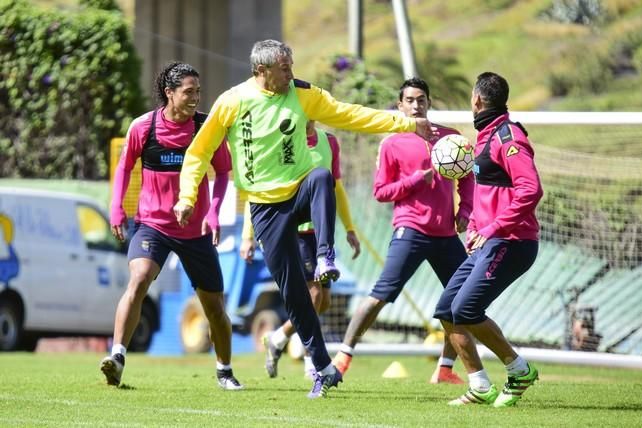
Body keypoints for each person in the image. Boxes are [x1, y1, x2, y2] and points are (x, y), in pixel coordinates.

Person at [174, 39, 438, 399]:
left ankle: (326, 256)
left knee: (321, 177)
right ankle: (323, 367)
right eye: (285, 68)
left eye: (292, 65)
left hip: (299, 192)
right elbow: (198, 152)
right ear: (261, 71)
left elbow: (350, 113)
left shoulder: (303, 95)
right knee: (295, 296)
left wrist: (403, 123)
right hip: (265, 209)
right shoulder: (232, 102)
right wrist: (188, 198)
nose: (291, 73)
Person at [100, 62, 243, 391]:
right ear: (169, 93)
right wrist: (117, 209)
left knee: (214, 307)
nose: (195, 98)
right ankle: (117, 357)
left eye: (198, 92)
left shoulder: (207, 128)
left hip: (196, 232)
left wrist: (214, 213)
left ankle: (224, 369)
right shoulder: (143, 127)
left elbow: (222, 173)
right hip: (153, 226)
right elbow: (123, 170)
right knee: (138, 279)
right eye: (188, 92)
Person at [332, 78, 473, 385]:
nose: (415, 105)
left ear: (429, 102)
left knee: (464, 298)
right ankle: (342, 357)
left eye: (421, 99)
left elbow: (467, 178)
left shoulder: (452, 138)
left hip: (446, 235)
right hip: (410, 230)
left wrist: (465, 211)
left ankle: (445, 369)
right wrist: (414, 180)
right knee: (380, 296)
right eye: (409, 100)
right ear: (400, 106)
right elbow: (381, 192)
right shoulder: (392, 143)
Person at [433, 72, 544, 407]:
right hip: (489, 240)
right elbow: (490, 192)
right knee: (447, 311)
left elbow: (531, 190)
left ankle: (519, 369)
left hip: (513, 240)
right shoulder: (485, 136)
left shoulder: (507, 136)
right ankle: (480, 385)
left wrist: (492, 227)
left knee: (466, 309)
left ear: (476, 99)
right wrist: (476, 226)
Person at [239, 120, 361, 380]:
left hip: (322, 232)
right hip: (296, 230)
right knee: (314, 295)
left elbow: (335, 187)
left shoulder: (329, 142)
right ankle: (312, 362)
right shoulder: (278, 142)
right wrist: (247, 235)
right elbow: (260, 192)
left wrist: (350, 227)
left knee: (323, 301)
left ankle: (279, 337)